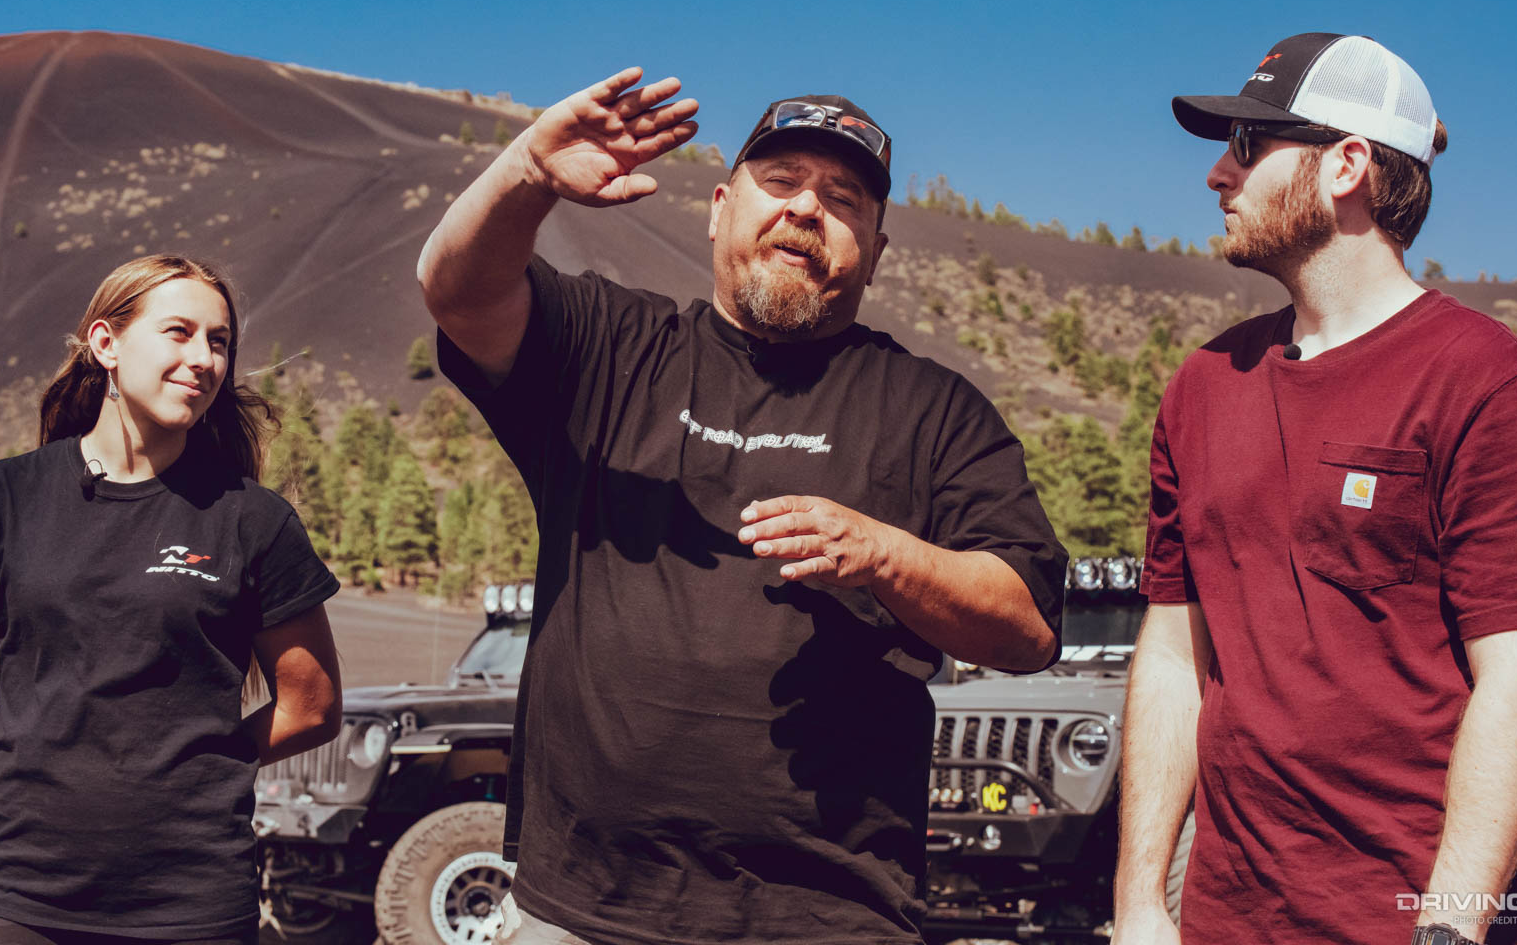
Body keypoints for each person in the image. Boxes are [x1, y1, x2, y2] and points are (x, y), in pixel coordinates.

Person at [416, 69, 1066, 944]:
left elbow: (1025, 627)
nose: (807, 209)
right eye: (783, 181)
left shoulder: (933, 411)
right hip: (583, 908)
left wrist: (885, 555)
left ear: (876, 252)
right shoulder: (610, 351)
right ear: (720, 207)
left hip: (830, 915)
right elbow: (459, 293)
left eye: (844, 199)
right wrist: (526, 174)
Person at [1113, 33, 1517, 945]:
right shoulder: (1202, 386)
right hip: (1228, 922)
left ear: (1346, 164)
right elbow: (1172, 658)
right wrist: (1141, 904)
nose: (1215, 178)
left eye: (1245, 148)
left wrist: (1449, 928)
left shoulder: (1488, 382)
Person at [0, 255, 343, 945]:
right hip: (18, 894)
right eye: (178, 332)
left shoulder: (252, 521)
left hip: (194, 905)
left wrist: (202, 759)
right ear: (106, 344)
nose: (203, 358)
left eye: (219, 341)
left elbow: (314, 705)